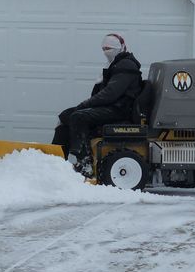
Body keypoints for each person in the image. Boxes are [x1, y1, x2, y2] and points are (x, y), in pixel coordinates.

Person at [52, 33, 142, 175]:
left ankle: (85, 162)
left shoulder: (126, 65)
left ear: (120, 48)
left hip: (120, 109)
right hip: (111, 106)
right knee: (65, 116)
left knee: (78, 116)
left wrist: (85, 104)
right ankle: (54, 162)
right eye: (104, 48)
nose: (106, 51)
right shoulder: (114, 64)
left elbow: (110, 94)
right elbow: (102, 93)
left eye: (110, 48)